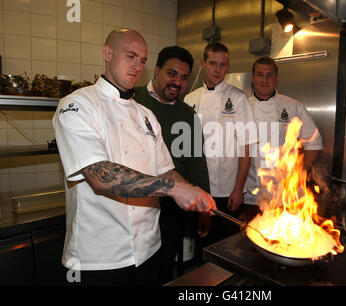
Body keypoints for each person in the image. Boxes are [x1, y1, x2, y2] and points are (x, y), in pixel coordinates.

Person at [52, 29, 216, 286]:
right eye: (131, 56)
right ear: (108, 53)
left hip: (149, 249)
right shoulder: (77, 105)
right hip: (99, 257)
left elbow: (165, 170)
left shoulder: (146, 115)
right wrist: (173, 189)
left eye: (142, 61)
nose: (137, 66)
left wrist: (191, 189)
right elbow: (100, 175)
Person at [134, 46, 211, 284]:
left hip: (172, 206)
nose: (177, 82)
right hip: (136, 200)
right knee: (137, 269)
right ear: (156, 71)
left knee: (164, 266)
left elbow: (197, 161)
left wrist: (204, 205)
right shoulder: (133, 99)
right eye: (171, 74)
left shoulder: (187, 114)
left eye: (184, 77)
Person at [184, 42, 257, 246]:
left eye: (223, 64)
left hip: (228, 190)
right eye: (213, 63)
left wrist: (239, 188)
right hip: (198, 189)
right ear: (203, 63)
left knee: (227, 246)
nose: (218, 69)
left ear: (228, 66)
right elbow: (187, 149)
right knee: (202, 244)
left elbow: (246, 147)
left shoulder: (238, 98)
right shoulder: (190, 99)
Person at [244, 56, 323, 209]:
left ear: (276, 78)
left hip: (285, 194)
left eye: (269, 75)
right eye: (260, 75)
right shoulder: (242, 106)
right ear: (253, 78)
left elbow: (314, 143)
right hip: (249, 195)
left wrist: (298, 175)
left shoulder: (293, 106)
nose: (264, 80)